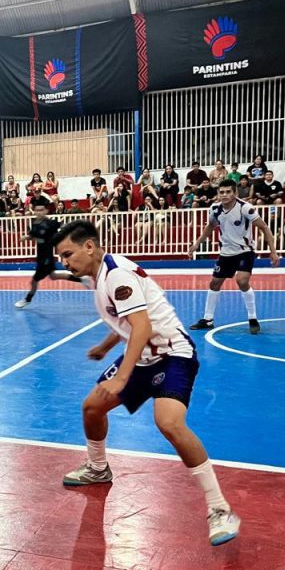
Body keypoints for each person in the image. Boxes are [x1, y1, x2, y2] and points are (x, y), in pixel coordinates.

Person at [49, 219, 241, 547]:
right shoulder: (102, 274)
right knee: (92, 407)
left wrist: (122, 375)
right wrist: (107, 347)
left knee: (169, 423)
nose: (64, 262)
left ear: (89, 247)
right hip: (143, 358)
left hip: (172, 354)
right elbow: (127, 317)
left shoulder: (117, 275)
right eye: (60, 258)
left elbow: (141, 326)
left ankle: (219, 509)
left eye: (67, 254)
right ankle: (98, 468)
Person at [188, 179, 281, 334]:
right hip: (226, 253)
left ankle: (252, 318)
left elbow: (264, 227)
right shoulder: (215, 208)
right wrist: (197, 243)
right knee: (214, 283)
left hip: (245, 251)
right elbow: (210, 226)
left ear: (235, 193)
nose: (224, 195)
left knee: (242, 281)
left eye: (228, 192)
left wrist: (273, 251)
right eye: (222, 192)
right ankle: (208, 318)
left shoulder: (245, 208)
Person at [15, 198, 61, 308]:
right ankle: (81, 279)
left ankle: (28, 299)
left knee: (34, 280)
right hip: (40, 255)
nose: (39, 212)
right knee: (53, 276)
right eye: (37, 210)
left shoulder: (50, 223)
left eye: (41, 210)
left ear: (46, 211)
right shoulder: (35, 223)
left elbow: (61, 228)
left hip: (47, 256)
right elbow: (33, 235)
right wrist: (25, 237)